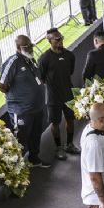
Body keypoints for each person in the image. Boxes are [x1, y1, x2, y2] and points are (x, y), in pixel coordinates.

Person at [0, 35, 50, 168]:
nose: (30, 48)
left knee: (36, 135)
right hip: (21, 110)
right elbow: (2, 85)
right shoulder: (13, 62)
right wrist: (18, 95)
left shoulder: (31, 60)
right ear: (17, 47)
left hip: (37, 107)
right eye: (26, 46)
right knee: (20, 139)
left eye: (31, 45)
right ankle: (18, 168)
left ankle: (34, 159)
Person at [38, 28, 80, 161]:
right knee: (55, 123)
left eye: (61, 38)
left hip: (68, 93)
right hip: (53, 97)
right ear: (50, 41)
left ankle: (69, 144)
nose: (60, 41)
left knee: (70, 120)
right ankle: (59, 147)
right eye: (57, 39)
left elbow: (71, 71)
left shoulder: (69, 55)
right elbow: (42, 77)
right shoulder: (44, 58)